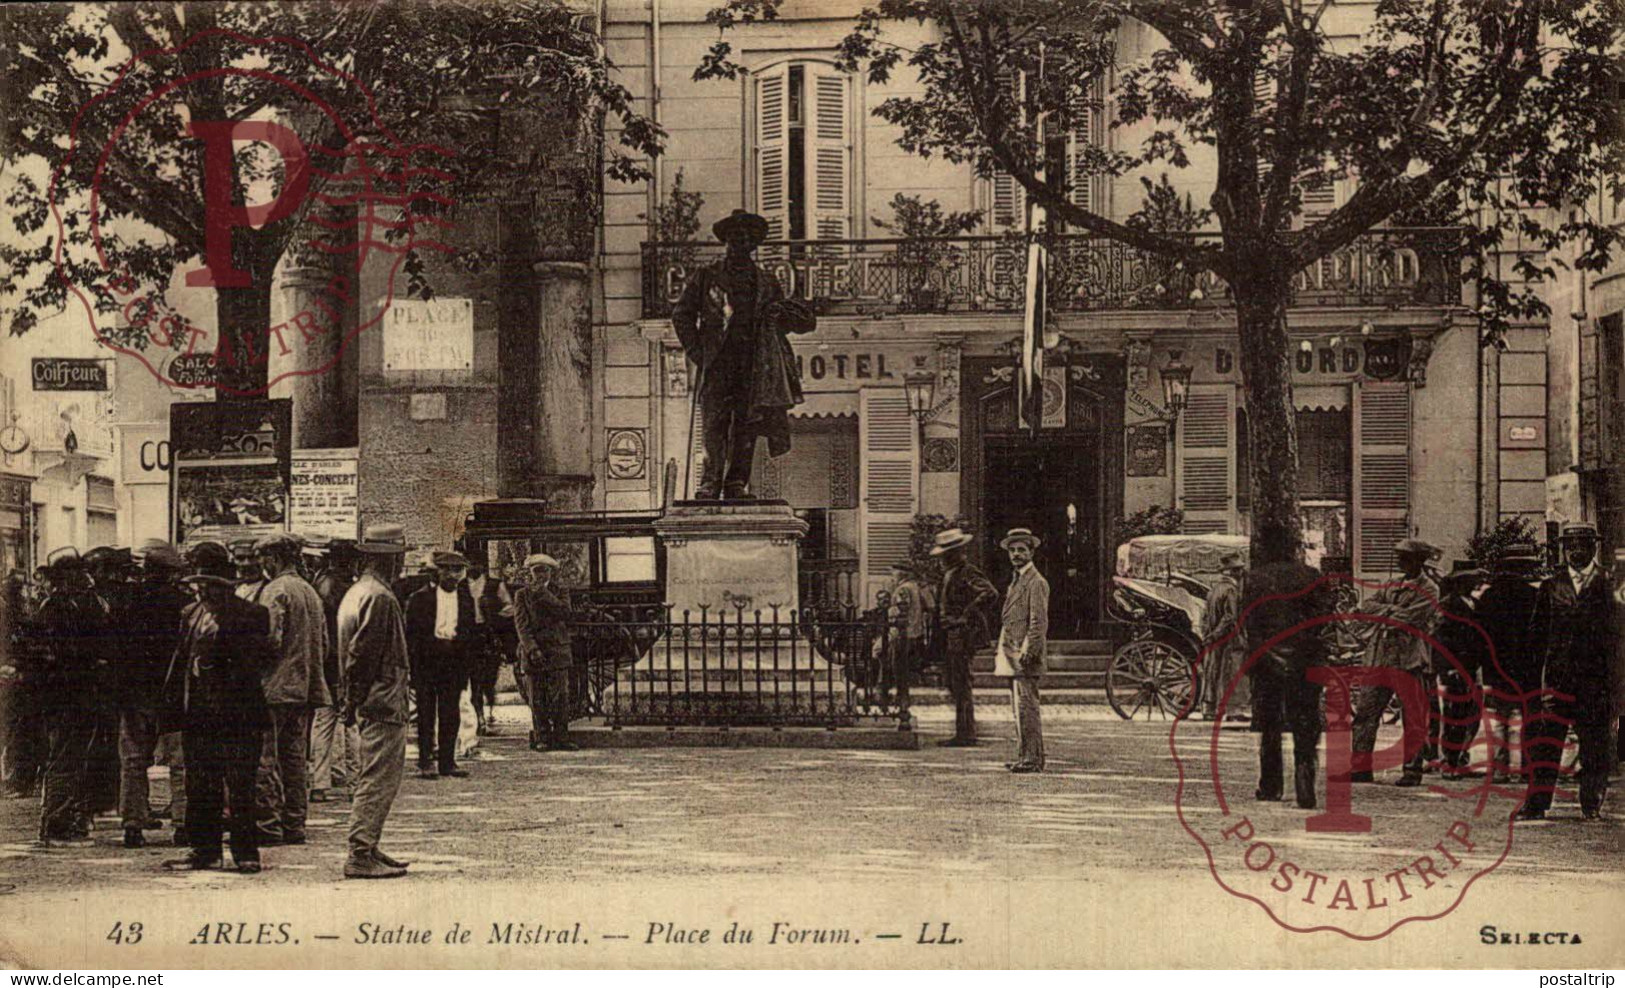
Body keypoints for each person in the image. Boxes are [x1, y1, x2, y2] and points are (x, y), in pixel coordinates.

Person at [669, 208, 816, 500]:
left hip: (754, 363)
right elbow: (682, 315)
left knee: (747, 425)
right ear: (726, 241)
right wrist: (698, 351)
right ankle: (710, 482)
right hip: (719, 361)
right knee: (714, 422)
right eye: (734, 236)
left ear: (753, 244)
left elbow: (780, 323)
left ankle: (736, 482)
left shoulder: (767, 282)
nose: (740, 241)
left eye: (746, 237)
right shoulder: (706, 276)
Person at [161, 543, 272, 873]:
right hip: (199, 713)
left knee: (241, 784)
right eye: (199, 583)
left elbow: (255, 663)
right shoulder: (190, 614)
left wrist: (213, 660)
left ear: (225, 584)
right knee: (201, 784)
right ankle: (205, 849)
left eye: (209, 583)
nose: (203, 590)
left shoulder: (253, 614)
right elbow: (180, 664)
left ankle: (246, 852)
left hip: (240, 714)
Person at [1520, 523, 1617, 821]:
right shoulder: (1551, 585)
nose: (1576, 550)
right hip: (1557, 679)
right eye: (1571, 545)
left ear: (1594, 548)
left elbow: (1619, 637)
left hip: (1596, 681)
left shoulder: (1610, 583)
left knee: (1595, 746)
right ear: (1563, 549)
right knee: (1546, 743)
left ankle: (1591, 804)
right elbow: (1537, 635)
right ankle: (1536, 804)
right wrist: (1532, 680)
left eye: (1583, 544)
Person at [338, 523, 414, 879]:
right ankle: (360, 851)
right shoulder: (379, 597)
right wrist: (354, 700)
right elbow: (363, 655)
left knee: (376, 774)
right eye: (399, 558)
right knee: (379, 778)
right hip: (382, 700)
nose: (401, 565)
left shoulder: (360, 591)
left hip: (375, 697)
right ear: (390, 559)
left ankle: (369, 844)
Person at [251, 533, 330, 846]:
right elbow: (323, 644)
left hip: (273, 688)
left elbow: (270, 639)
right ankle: (295, 824)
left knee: (263, 759)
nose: (260, 564)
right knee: (295, 760)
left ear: (274, 558)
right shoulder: (310, 591)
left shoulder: (276, 591)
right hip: (304, 688)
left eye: (263, 558)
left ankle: (268, 826)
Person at [1243, 556, 1336, 809]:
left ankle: (1270, 786)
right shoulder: (1312, 575)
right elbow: (1325, 618)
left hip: (1266, 661)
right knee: (1306, 723)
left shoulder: (1254, 578)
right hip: (1306, 658)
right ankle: (1305, 788)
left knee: (1269, 725)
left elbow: (1248, 623)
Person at [115, 540, 191, 849]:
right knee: (180, 762)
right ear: (172, 573)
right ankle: (183, 824)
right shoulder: (185, 605)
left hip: (136, 694)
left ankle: (133, 823)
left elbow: (118, 651)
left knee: (133, 761)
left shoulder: (127, 602)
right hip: (173, 694)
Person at [1349, 538, 1441, 787]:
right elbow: (1366, 606)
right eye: (1400, 558)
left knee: (1413, 716)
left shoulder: (1430, 588)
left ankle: (1412, 770)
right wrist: (1389, 611)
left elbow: (1411, 617)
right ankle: (1360, 767)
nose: (1400, 562)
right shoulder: (1392, 584)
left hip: (1408, 659)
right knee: (1365, 713)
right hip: (1379, 657)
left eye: (1405, 558)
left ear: (1418, 561)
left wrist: (1386, 611)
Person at [34, 548, 108, 845]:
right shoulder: (55, 609)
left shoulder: (74, 605)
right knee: (64, 758)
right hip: (65, 695)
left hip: (76, 693)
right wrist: (93, 660)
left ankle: (62, 820)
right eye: (77, 573)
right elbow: (61, 653)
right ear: (66, 578)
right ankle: (56, 825)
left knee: (72, 757)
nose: (84, 578)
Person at [405, 551, 477, 779]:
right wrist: (414, 668)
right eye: (447, 570)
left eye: (457, 571)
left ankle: (448, 761)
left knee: (450, 712)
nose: (452, 576)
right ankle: (426, 760)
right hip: (428, 660)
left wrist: (465, 665)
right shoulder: (420, 598)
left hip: (453, 662)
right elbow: (412, 636)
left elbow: (469, 635)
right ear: (438, 571)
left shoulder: (466, 600)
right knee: (425, 713)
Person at [1476, 547, 1545, 785]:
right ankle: (1528, 767)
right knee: (1530, 718)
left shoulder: (1489, 597)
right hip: (1529, 667)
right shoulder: (1534, 595)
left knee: (1501, 719)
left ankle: (1500, 768)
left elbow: (1480, 635)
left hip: (1498, 666)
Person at [930, 528, 998, 748]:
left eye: (945, 554)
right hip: (949, 635)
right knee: (954, 682)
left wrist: (964, 616)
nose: (942, 559)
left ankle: (966, 734)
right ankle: (964, 730)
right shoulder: (949, 573)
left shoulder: (967, 571)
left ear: (955, 553)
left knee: (961, 683)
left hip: (962, 635)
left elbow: (989, 593)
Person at [994, 529, 1050, 773]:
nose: (1016, 554)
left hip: (1024, 652)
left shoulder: (1036, 582)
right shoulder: (1016, 580)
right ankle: (1025, 755)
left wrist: (1029, 649)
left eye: (1021, 550)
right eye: (1012, 550)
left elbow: (1039, 621)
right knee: (1019, 707)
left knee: (1027, 706)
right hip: (1012, 651)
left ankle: (1032, 760)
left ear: (1031, 552)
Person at [308, 539, 359, 803]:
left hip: (325, 662)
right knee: (351, 723)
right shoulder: (350, 589)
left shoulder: (320, 585)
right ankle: (354, 783)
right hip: (345, 662)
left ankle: (320, 783)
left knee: (323, 724)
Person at [514, 553, 577, 752]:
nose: (540, 574)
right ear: (530, 572)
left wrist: (543, 594)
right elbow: (521, 626)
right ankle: (542, 738)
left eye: (544, 570)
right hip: (534, 652)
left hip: (558, 649)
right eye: (536, 570)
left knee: (560, 697)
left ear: (551, 571)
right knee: (537, 697)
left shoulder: (560, 591)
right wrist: (532, 649)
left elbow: (565, 613)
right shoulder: (522, 595)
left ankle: (561, 738)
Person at [1432, 563, 1489, 775]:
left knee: (1473, 713)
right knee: (1454, 715)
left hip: (1474, 666)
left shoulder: (1475, 603)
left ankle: (1463, 757)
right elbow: (1440, 640)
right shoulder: (1447, 605)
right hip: (1455, 667)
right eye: (1468, 579)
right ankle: (1450, 761)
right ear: (1458, 582)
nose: (1473, 582)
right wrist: (1447, 668)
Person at [1200, 553, 1249, 721]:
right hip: (1228, 638)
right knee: (1231, 673)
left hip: (1213, 637)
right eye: (1238, 570)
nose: (1241, 572)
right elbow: (1230, 617)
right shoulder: (1231, 590)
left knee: (1213, 671)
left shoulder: (1213, 590)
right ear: (1231, 572)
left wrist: (1208, 634)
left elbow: (1205, 616)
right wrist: (1216, 634)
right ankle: (1233, 711)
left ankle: (1210, 709)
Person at [887, 561, 934, 726]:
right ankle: (902, 707)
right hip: (916, 635)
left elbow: (900, 612)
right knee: (904, 674)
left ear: (901, 574)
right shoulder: (917, 587)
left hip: (903, 636)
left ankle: (902, 707)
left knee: (899, 674)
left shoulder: (903, 589)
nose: (892, 576)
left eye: (893, 573)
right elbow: (931, 606)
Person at [465, 560, 508, 736]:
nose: (471, 569)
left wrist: (495, 618)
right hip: (468, 637)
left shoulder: (495, 585)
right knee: (473, 679)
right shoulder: (460, 586)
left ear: (482, 567)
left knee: (489, 678)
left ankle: (489, 712)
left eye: (474, 565)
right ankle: (479, 719)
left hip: (489, 636)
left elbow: (509, 607)